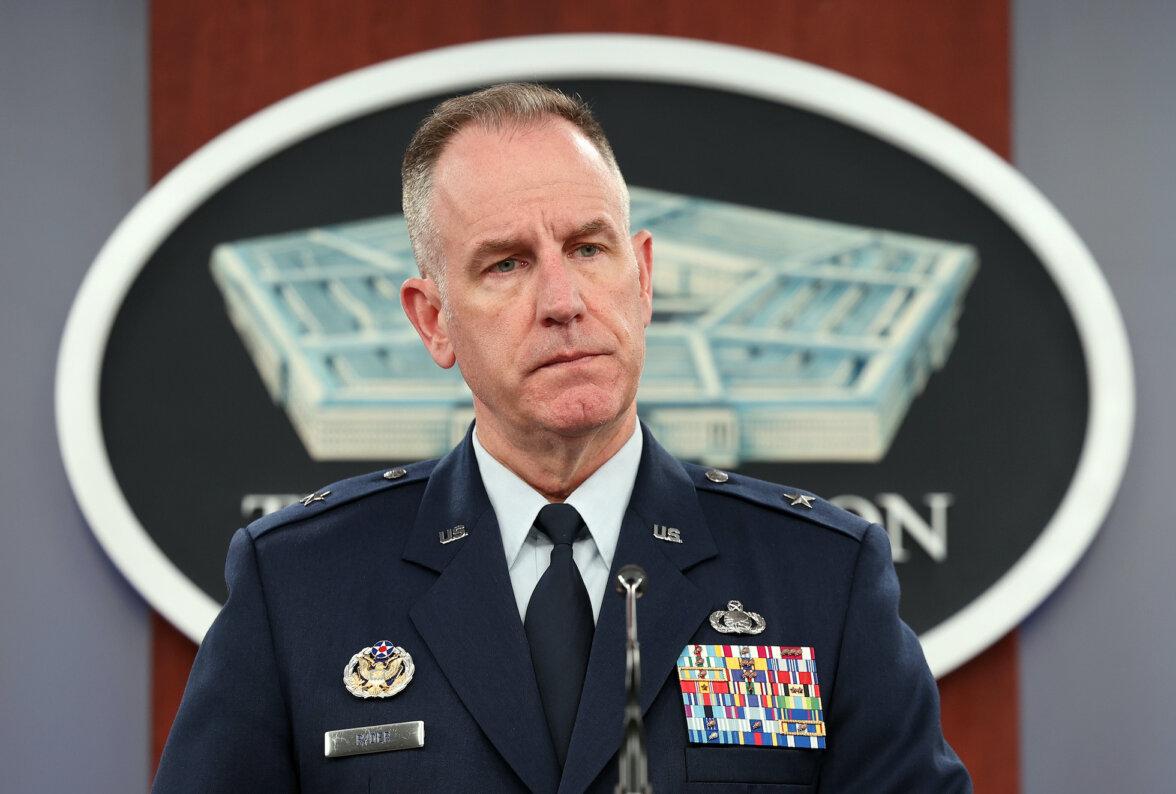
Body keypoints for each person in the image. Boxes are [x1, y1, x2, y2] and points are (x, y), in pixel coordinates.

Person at [153, 83, 971, 793]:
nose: (563, 301)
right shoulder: (299, 586)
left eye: (588, 247)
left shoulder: (819, 578)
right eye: (505, 264)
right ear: (433, 320)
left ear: (642, 278)